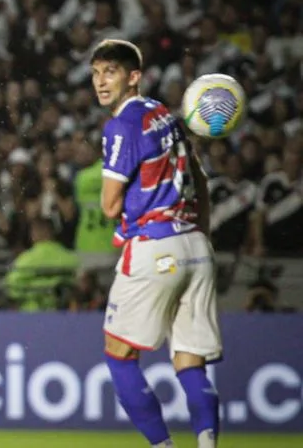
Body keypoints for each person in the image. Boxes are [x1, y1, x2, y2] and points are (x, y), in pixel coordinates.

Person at [93, 39, 221, 448]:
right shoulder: (164, 115)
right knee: (189, 360)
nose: (100, 81)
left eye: (110, 71)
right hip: (196, 247)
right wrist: (198, 230)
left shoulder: (122, 125)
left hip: (154, 246)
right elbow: (200, 181)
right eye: (95, 73)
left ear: (134, 77)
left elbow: (110, 206)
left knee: (119, 355)